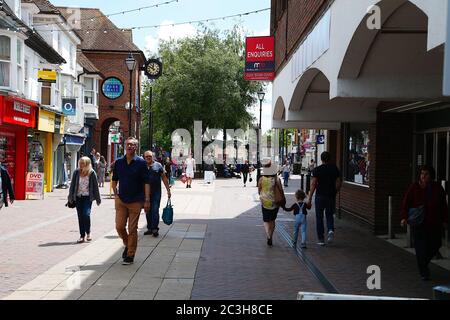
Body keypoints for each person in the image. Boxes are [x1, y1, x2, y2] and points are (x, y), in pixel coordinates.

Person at [401, 165, 448, 281]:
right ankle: (424, 272)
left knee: (436, 244)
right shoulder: (415, 187)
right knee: (420, 247)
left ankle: (423, 263)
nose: (423, 176)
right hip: (419, 223)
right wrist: (404, 217)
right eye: (422, 174)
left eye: (426, 174)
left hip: (434, 223)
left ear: (431, 175)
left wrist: (445, 220)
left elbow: (443, 206)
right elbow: (406, 202)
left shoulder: (437, 188)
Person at [112, 138, 151, 265]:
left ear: (136, 147)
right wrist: (115, 194)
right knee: (119, 226)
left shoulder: (141, 163)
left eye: (133, 145)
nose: (130, 146)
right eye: (128, 144)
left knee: (132, 228)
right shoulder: (118, 162)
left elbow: (146, 182)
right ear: (125, 146)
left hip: (136, 200)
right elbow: (114, 179)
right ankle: (128, 244)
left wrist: (147, 200)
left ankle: (130, 255)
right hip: (121, 199)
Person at [308, 151, 342, 246]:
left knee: (319, 217)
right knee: (329, 214)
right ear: (330, 159)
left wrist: (310, 197)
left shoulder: (317, 170)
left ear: (321, 159)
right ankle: (330, 229)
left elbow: (313, 184)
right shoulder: (334, 169)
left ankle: (321, 239)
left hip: (320, 196)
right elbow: (338, 183)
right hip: (330, 196)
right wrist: (335, 192)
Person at [67, 157, 101, 244]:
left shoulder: (92, 173)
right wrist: (70, 197)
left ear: (87, 164)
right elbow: (73, 186)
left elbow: (95, 187)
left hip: (87, 197)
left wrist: (98, 199)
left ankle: (88, 232)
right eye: (80, 162)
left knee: (86, 214)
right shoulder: (76, 172)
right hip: (78, 197)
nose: (80, 164)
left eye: (82, 163)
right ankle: (82, 236)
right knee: (80, 216)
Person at [143, 151, 171, 237]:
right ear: (144, 157)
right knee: (147, 210)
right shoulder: (142, 166)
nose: (148, 157)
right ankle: (149, 228)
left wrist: (168, 190)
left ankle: (155, 228)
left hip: (156, 192)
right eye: (146, 156)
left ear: (153, 157)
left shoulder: (158, 165)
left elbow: (164, 178)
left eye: (150, 156)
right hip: (144, 193)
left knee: (155, 210)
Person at [258, 158, 285, 247]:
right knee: (272, 220)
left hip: (264, 201)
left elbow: (259, 190)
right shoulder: (276, 179)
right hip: (275, 202)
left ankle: (268, 235)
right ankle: (271, 235)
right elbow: (281, 190)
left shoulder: (261, 179)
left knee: (266, 220)